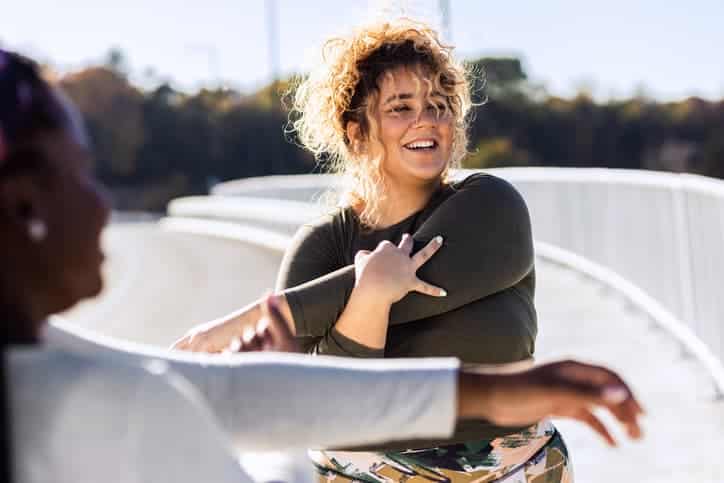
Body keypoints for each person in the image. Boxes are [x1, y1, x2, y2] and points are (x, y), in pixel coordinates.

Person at [0, 49, 642, 483]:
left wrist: (499, 392)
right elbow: (288, 417)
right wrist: (366, 299)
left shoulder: (50, 363)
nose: (104, 201)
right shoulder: (90, 401)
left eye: (439, 103)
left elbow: (222, 389)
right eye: (82, 175)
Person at [174, 18, 580, 481]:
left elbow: (425, 274)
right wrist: (368, 298)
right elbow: (317, 403)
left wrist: (256, 318)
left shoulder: (490, 206)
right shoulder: (323, 245)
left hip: (514, 470)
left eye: (439, 105)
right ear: (356, 132)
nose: (426, 118)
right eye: (400, 108)